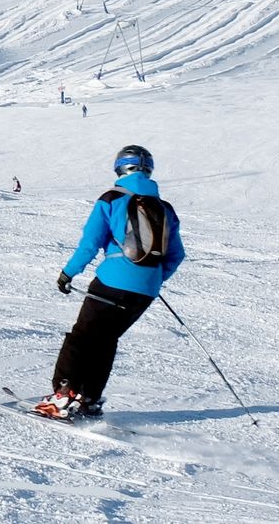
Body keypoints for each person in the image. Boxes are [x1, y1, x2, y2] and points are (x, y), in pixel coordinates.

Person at [38, 144, 184, 419]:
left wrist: (68, 273)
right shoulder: (165, 208)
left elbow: (90, 243)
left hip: (112, 282)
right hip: (146, 290)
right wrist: (152, 279)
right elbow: (177, 255)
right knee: (106, 341)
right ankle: (89, 400)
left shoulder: (112, 198)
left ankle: (62, 397)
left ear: (120, 168)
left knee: (82, 337)